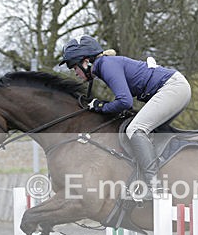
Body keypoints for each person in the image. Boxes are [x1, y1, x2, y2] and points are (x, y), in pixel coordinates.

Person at [59, 35, 191, 190]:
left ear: (86, 62)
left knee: (135, 129)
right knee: (146, 132)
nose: (75, 73)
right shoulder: (105, 65)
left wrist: (101, 106)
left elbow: (125, 101)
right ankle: (159, 173)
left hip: (172, 88)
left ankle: (155, 186)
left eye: (75, 67)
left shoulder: (106, 65)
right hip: (174, 87)